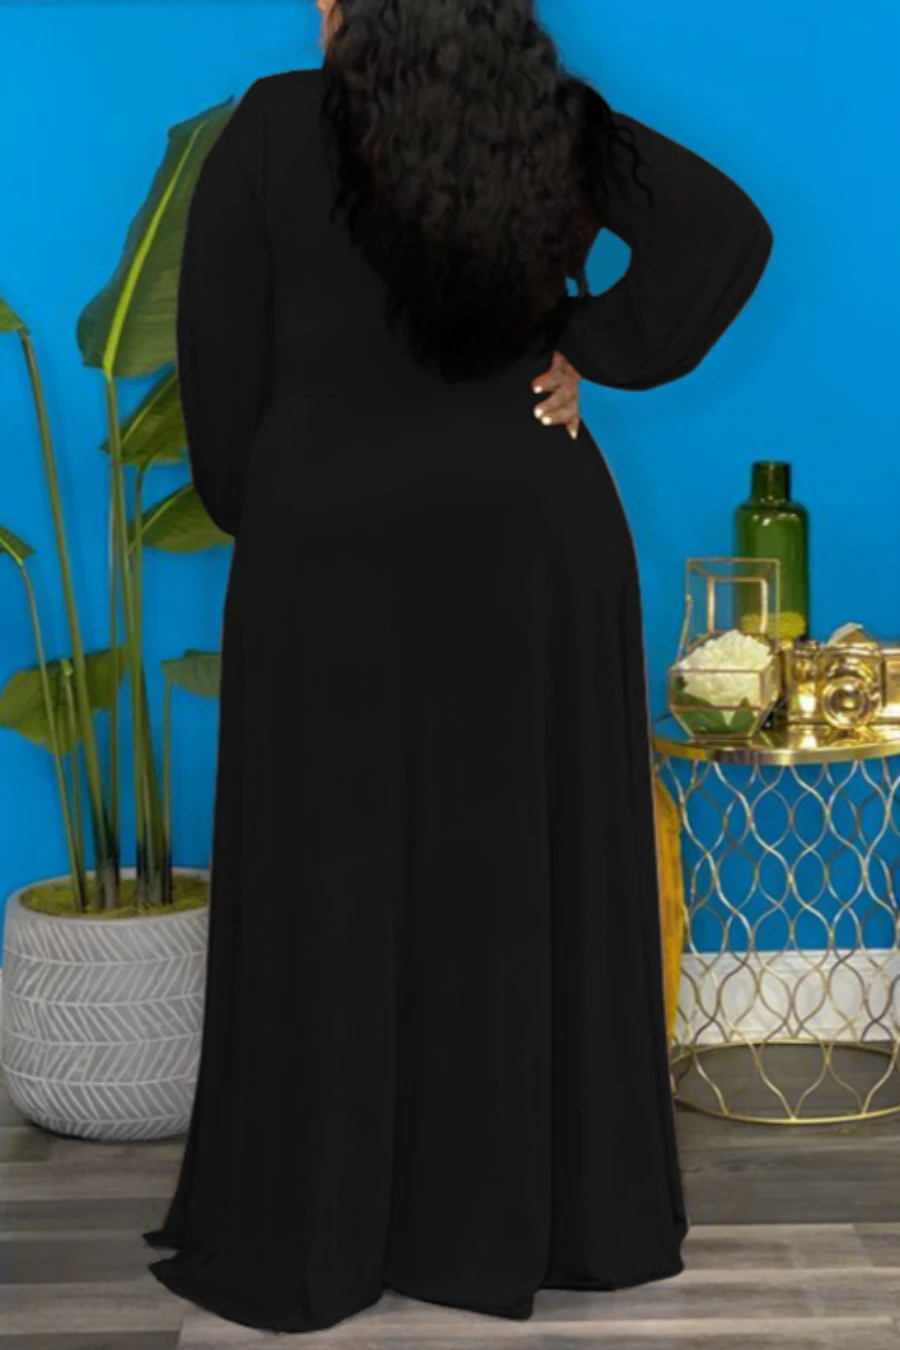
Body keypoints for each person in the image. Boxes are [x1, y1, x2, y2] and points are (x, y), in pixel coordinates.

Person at [143, 0, 773, 1334]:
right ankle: (538, 1217)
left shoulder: (270, 127)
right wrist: (586, 347)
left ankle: (332, 1219)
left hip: (328, 557)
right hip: (530, 542)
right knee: (513, 871)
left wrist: (297, 502)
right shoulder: (549, 120)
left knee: (336, 874)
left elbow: (219, 386)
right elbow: (725, 232)